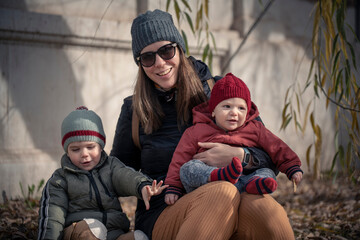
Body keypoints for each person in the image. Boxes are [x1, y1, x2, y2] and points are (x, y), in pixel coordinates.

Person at [111, 9, 296, 240]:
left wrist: (240, 154)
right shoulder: (135, 109)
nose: (159, 63)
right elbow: (114, 173)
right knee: (221, 191)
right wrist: (139, 188)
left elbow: (271, 150)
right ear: (140, 63)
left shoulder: (222, 92)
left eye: (166, 51)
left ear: (179, 48)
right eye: (148, 57)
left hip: (235, 195)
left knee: (266, 210)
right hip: (166, 210)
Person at [164, 73, 303, 205]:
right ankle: (219, 175)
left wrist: (292, 166)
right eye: (227, 106)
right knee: (188, 168)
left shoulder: (255, 129)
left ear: (248, 112)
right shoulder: (196, 131)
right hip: (209, 185)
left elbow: (276, 147)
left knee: (267, 172)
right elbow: (180, 158)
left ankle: (257, 184)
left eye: (241, 108)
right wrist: (173, 187)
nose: (234, 113)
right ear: (213, 110)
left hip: (246, 180)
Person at [37, 106, 167, 240]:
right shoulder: (60, 179)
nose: (84, 154)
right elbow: (52, 217)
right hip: (80, 231)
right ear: (67, 152)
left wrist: (142, 187)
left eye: (90, 147)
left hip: (114, 232)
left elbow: (126, 176)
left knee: (139, 237)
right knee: (92, 229)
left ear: (101, 146)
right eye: (75, 149)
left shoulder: (110, 167)